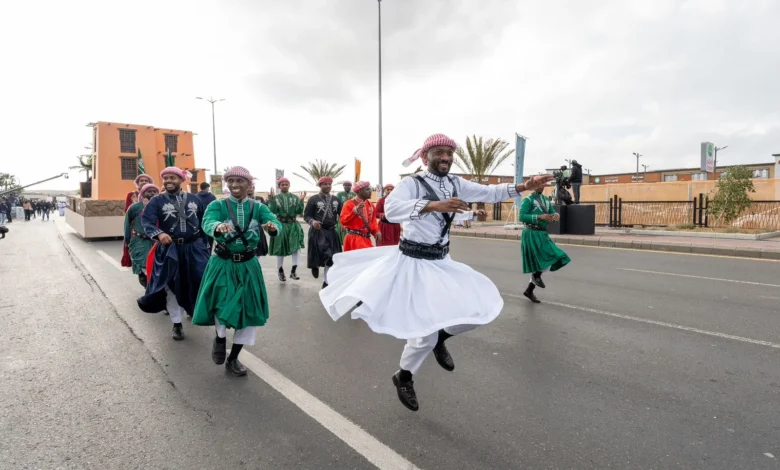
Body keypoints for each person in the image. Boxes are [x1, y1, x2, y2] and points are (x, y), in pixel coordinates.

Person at [319, 133, 553, 412]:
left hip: (442, 261)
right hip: (412, 264)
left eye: (449, 153)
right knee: (424, 332)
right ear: (425, 156)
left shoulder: (455, 183)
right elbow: (391, 211)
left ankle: (442, 337)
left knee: (479, 309)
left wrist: (524, 185)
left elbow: (490, 193)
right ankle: (404, 376)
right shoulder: (411, 183)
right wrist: (432, 205)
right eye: (439, 153)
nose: (445, 158)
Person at [193, 166, 282, 376]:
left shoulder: (257, 207)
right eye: (230, 181)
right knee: (221, 304)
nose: (234, 185)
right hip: (222, 263)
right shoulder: (218, 205)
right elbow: (207, 222)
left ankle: (233, 359)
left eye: (239, 181)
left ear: (249, 185)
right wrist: (216, 227)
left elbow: (275, 221)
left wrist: (273, 227)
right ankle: (220, 337)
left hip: (248, 266)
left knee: (248, 310)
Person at [137, 167, 209, 340]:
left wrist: (206, 245)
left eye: (172, 177)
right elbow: (147, 221)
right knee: (172, 287)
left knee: (199, 281)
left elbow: (204, 222)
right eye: (165, 178)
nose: (168, 181)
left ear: (181, 180)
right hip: (171, 250)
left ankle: (193, 308)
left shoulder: (195, 199)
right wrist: (159, 233)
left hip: (194, 248)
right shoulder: (157, 201)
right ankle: (177, 323)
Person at [520, 186, 571, 303]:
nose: (541, 186)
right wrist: (539, 216)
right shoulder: (528, 200)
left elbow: (552, 212)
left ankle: (530, 288)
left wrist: (556, 215)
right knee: (546, 258)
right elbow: (522, 216)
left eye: (543, 184)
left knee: (551, 257)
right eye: (538, 184)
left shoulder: (545, 200)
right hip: (531, 233)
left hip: (542, 233)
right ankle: (535, 278)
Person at [304, 176, 343, 289]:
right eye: (325, 184)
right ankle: (314, 266)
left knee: (330, 257)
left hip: (331, 232)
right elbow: (307, 215)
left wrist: (344, 223)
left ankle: (326, 282)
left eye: (329, 184)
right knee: (319, 255)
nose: (327, 186)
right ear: (320, 186)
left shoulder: (336, 199)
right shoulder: (313, 199)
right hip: (318, 231)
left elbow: (343, 214)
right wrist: (312, 222)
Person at [267, 177, 306, 281]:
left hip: (293, 225)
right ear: (279, 186)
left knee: (296, 247)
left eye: (286, 184)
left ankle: (293, 271)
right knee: (280, 248)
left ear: (289, 185)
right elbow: (272, 211)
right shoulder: (275, 198)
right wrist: (271, 200)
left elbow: (298, 211)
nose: (284, 186)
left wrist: (301, 201)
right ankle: (280, 271)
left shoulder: (295, 197)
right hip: (281, 225)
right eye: (282, 184)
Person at [123, 183, 160, 287]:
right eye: (149, 191)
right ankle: (148, 291)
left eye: (154, 191)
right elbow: (127, 224)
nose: (152, 193)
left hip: (157, 242)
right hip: (139, 242)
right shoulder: (134, 207)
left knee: (157, 268)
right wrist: (127, 241)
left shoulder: (162, 207)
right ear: (143, 193)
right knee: (143, 269)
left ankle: (154, 292)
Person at [123, 174, 154, 268]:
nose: (144, 182)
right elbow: (128, 212)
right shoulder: (132, 195)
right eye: (141, 180)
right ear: (137, 183)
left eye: (146, 180)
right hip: (137, 227)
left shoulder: (155, 196)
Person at [340, 180, 381, 251]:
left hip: (366, 239)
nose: (370, 191)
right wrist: (354, 212)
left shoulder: (371, 205)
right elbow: (343, 221)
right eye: (367, 189)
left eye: (370, 188)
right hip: (353, 240)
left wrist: (377, 232)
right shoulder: (348, 204)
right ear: (359, 191)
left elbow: (373, 223)